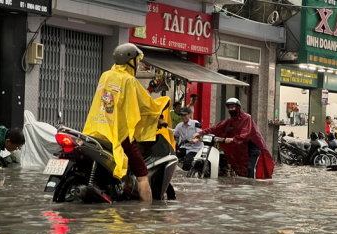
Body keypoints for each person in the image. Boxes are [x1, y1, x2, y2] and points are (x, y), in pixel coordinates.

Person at [83, 43, 173, 203]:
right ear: (130, 60)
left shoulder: (105, 76)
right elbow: (145, 105)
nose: (138, 64)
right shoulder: (129, 80)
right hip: (119, 134)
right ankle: (146, 215)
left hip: (96, 130)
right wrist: (159, 116)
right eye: (137, 61)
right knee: (142, 175)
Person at [191, 98, 274, 179]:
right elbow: (215, 128)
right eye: (229, 108)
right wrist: (200, 133)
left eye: (233, 107)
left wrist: (233, 139)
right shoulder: (230, 120)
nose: (231, 110)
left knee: (251, 167)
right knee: (237, 165)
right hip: (241, 146)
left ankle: (252, 186)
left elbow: (246, 133)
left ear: (238, 107)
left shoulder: (247, 118)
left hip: (253, 145)